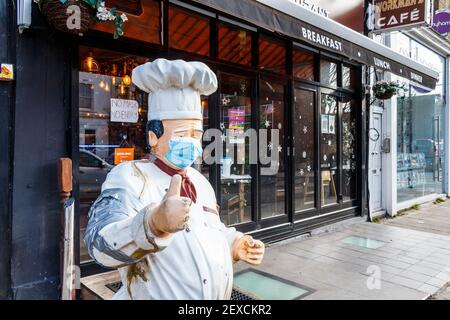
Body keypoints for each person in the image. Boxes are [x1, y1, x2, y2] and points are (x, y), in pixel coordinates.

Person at [84, 59, 265, 300]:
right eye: (182, 134)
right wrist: (153, 223)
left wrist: (235, 244)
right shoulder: (129, 177)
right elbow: (99, 245)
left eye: (196, 135)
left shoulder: (200, 181)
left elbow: (208, 230)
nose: (191, 143)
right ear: (152, 137)